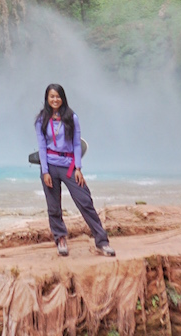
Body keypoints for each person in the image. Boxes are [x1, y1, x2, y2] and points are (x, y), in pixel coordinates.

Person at [35, 83, 115, 257]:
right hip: (49, 166)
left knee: (85, 201)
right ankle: (61, 238)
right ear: (47, 99)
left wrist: (78, 168)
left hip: (69, 166)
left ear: (62, 98)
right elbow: (41, 146)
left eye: (58, 96)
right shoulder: (41, 120)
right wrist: (45, 171)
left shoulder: (71, 117)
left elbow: (77, 144)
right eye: (51, 96)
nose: (55, 99)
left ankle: (102, 242)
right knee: (54, 207)